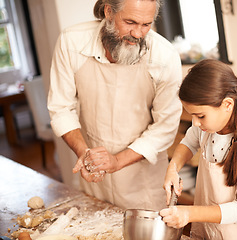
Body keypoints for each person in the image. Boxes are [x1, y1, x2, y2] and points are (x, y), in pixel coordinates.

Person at [48, 0, 182, 211]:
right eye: (130, 22)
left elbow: (165, 127)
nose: (138, 33)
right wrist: (86, 155)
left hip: (143, 182)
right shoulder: (72, 41)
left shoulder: (165, 56)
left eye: (146, 24)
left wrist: (117, 162)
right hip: (93, 177)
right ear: (109, 11)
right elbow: (61, 108)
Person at [159, 59, 237, 239]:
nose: (195, 123)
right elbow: (188, 143)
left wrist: (189, 213)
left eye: (200, 116)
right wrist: (173, 168)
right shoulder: (206, 129)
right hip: (210, 233)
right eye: (192, 116)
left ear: (227, 105)